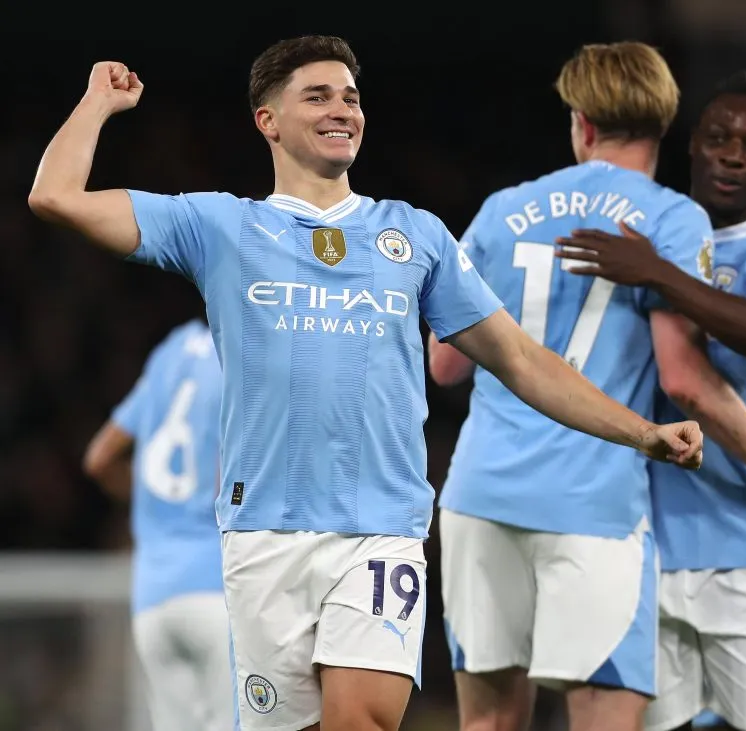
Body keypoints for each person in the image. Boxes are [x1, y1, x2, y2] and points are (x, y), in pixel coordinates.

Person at [27, 35, 703, 731]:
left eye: (350, 97)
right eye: (317, 96)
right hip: (263, 532)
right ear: (268, 120)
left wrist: (643, 431)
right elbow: (54, 196)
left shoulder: (415, 236)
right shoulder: (221, 224)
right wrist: (97, 103)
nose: (341, 109)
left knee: (360, 720)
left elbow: (523, 361)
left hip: (380, 531)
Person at [431, 52, 746, 731]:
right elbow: (684, 381)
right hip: (593, 501)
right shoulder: (671, 218)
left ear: (582, 122)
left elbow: (445, 366)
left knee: (487, 721)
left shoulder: (502, 209)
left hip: (480, 491)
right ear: (667, 127)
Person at [559, 72, 746, 731]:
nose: (732, 154)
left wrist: (659, 274)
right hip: (643, 547)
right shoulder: (644, 229)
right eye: (718, 138)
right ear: (693, 145)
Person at [83, 319, 232, 731]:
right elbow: (229, 478)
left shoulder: (167, 356)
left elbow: (98, 458)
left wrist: (156, 500)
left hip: (151, 598)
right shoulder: (237, 358)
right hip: (213, 587)